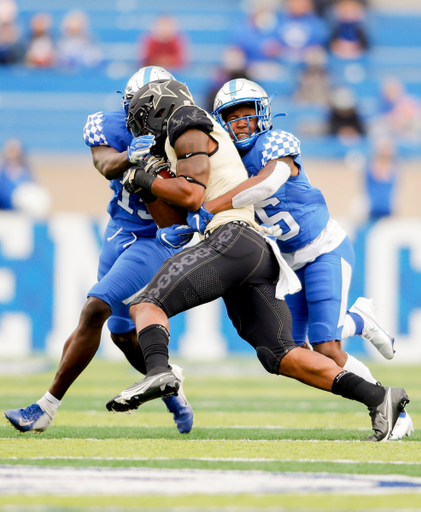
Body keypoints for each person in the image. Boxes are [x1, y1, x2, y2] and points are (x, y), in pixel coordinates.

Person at [105, 78, 409, 442]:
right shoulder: (208, 146)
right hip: (268, 255)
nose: (141, 130)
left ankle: (158, 370)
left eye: (142, 119)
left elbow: (196, 195)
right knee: (281, 354)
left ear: (159, 108)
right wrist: (146, 179)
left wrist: (151, 180)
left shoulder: (189, 120)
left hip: (272, 241)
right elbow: (177, 217)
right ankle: (380, 398)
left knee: (146, 303)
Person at [4, 67, 193, 435]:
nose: (157, 117)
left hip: (159, 238)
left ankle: (45, 408)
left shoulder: (185, 139)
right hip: (119, 231)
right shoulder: (110, 127)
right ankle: (170, 386)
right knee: (122, 335)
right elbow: (105, 164)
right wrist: (129, 157)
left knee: (95, 307)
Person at [0, 138, 51, 217]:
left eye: (14, 149)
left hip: (22, 214)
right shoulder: (2, 171)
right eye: (10, 149)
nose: (12, 152)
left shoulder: (26, 171)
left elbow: (32, 191)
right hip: (5, 213)